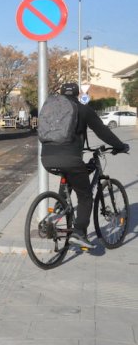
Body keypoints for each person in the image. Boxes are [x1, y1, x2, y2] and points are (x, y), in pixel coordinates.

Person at [40, 83, 130, 248]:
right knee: (85, 195)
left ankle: (60, 207)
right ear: (77, 94)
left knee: (74, 175)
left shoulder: (51, 109)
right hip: (70, 159)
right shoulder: (83, 109)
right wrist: (120, 146)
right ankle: (79, 232)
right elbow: (103, 132)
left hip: (46, 157)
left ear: (61, 94)